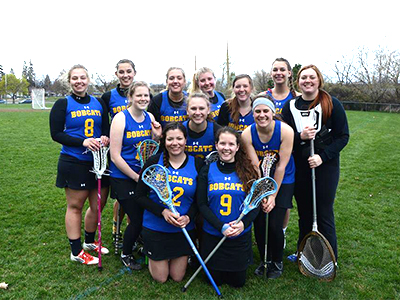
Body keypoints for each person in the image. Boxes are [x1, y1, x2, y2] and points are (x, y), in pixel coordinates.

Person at [281, 64, 349, 261]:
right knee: (305, 212)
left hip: (325, 166)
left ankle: (329, 257)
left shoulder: (331, 103)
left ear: (319, 80)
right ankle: (304, 252)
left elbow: (343, 136)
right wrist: (300, 136)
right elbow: (285, 136)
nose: (307, 81)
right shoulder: (291, 106)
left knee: (323, 211)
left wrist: (322, 157)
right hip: (301, 166)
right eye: (303, 78)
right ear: (298, 82)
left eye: (312, 77)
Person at [50, 64, 110, 265]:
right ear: (69, 81)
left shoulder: (99, 102)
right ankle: (76, 251)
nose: (79, 81)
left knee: (97, 205)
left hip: (98, 161)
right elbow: (56, 134)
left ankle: (90, 241)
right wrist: (82, 141)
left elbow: (106, 129)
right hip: (74, 161)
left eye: (83, 77)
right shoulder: (62, 103)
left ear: (88, 79)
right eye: (75, 78)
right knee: (75, 206)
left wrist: (104, 138)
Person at [135, 122, 204, 283]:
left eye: (179, 138)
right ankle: (149, 252)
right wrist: (162, 212)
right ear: (164, 141)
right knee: (161, 278)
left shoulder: (198, 164)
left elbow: (200, 200)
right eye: (170, 139)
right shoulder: (153, 162)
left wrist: (189, 217)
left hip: (183, 227)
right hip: (156, 227)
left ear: (186, 140)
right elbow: (140, 196)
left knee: (178, 277)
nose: (175, 143)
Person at [197, 126, 259, 288]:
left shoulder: (248, 172)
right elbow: (202, 204)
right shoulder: (207, 170)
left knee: (237, 282)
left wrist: (242, 224)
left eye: (231, 144)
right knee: (212, 280)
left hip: (239, 236)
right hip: (214, 234)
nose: (226, 148)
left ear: (237, 147)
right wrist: (221, 227)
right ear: (216, 145)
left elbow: (255, 205)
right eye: (222, 143)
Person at [109, 81, 161, 270]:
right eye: (138, 95)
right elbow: (115, 156)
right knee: (137, 217)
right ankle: (126, 253)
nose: (143, 99)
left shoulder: (150, 117)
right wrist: (135, 177)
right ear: (130, 97)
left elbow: (152, 147)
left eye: (146, 96)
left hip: (143, 175)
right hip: (123, 176)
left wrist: (156, 135)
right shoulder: (120, 119)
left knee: (146, 214)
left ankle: (141, 243)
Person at [241, 95, 295, 278]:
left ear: (273, 113)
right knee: (260, 222)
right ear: (252, 113)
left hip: (283, 178)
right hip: (260, 178)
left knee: (274, 223)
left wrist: (272, 196)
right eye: (257, 111)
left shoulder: (286, 132)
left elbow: (281, 166)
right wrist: (263, 192)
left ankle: (277, 261)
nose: (261, 115)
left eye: (266, 111)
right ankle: (265, 259)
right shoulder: (247, 134)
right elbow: (255, 165)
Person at [259, 57, 300, 255]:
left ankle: (281, 232)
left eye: (282, 69)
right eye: (275, 69)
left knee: (285, 200)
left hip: (288, 152)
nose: (278, 73)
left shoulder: (296, 97)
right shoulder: (262, 95)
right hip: (265, 153)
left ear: (289, 73)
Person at [102, 59, 137, 247]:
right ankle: (117, 227)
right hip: (117, 152)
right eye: (121, 72)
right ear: (116, 74)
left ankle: (134, 232)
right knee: (122, 197)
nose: (125, 75)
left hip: (136, 153)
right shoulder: (108, 96)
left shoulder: (141, 93)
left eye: (129, 71)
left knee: (135, 198)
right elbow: (103, 121)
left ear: (134, 73)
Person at [183, 92, 221, 160]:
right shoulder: (180, 130)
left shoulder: (217, 131)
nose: (197, 113)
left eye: (201, 108)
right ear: (187, 111)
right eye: (193, 108)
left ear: (208, 110)